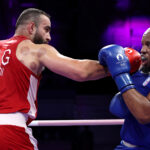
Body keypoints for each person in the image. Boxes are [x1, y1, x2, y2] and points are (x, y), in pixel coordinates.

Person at [0, 8, 111, 150]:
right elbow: (81, 71)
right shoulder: (36, 49)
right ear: (32, 27)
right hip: (11, 131)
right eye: (46, 29)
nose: (49, 37)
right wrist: (117, 67)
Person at [98, 27, 150, 150]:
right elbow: (119, 108)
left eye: (149, 45)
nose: (142, 50)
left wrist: (121, 75)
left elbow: (144, 114)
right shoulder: (141, 70)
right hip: (126, 146)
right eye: (142, 45)